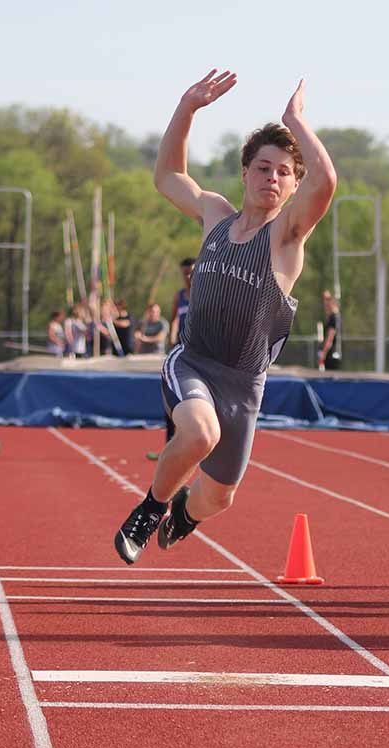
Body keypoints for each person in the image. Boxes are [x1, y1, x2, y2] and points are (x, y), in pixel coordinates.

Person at [114, 69, 337, 564]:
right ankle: (150, 510)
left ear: (294, 183)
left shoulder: (286, 239)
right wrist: (186, 108)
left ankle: (185, 517)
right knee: (198, 434)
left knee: (219, 497)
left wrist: (294, 121)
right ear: (244, 173)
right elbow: (168, 177)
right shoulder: (216, 215)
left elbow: (327, 182)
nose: (271, 178)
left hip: (243, 383)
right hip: (194, 362)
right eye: (262, 167)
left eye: (283, 171)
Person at [170, 258, 195, 347]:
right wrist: (172, 338)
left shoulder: (203, 294)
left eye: (190, 273)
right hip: (182, 343)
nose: (188, 276)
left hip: (199, 344)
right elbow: (174, 319)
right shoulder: (179, 296)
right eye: (185, 273)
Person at [318, 290, 342, 371]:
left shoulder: (334, 318)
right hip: (333, 354)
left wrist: (323, 354)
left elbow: (330, 338)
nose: (326, 306)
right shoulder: (335, 317)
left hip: (331, 355)